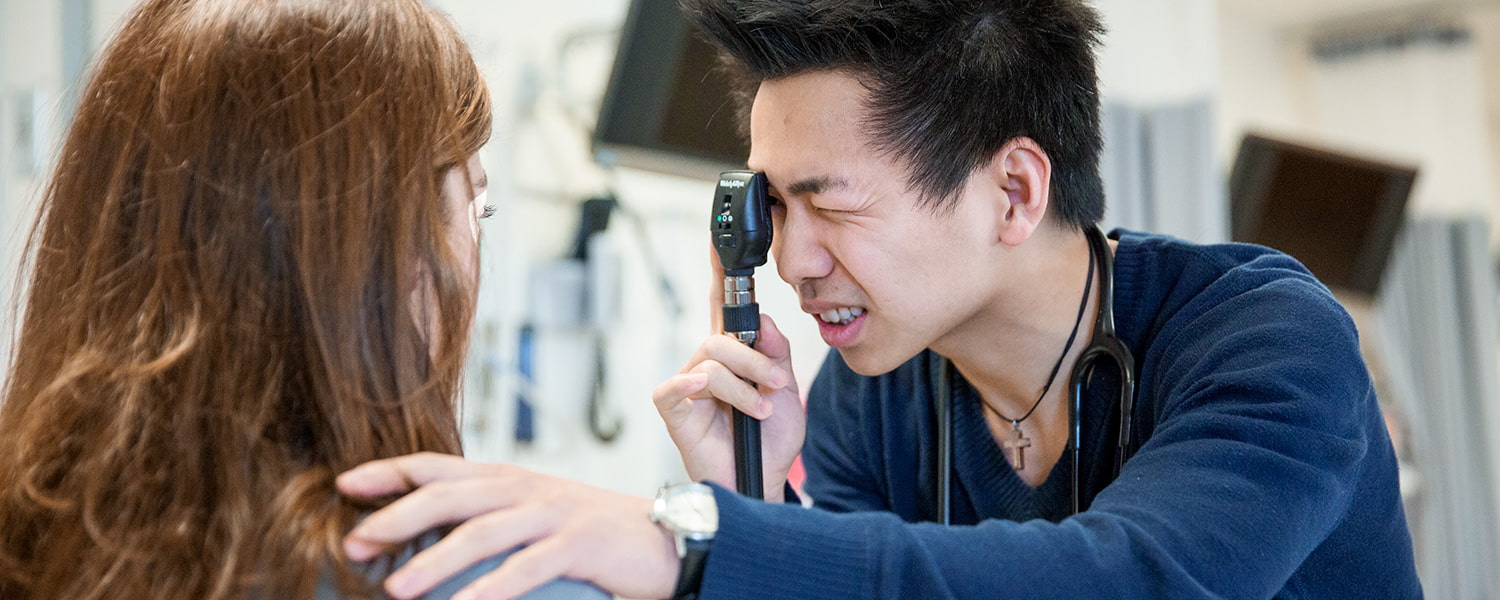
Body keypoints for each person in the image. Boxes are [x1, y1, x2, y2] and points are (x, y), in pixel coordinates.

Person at [335, 0, 1424, 598]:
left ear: (1011, 190)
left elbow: (1128, 580)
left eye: (830, 206)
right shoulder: (877, 390)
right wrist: (758, 494)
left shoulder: (1269, 341)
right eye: (774, 207)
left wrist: (697, 540)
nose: (795, 261)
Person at [0, 1, 607, 599]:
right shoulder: (498, 581)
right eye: (475, 209)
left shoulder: (29, 533)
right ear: (394, 252)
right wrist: (691, 542)